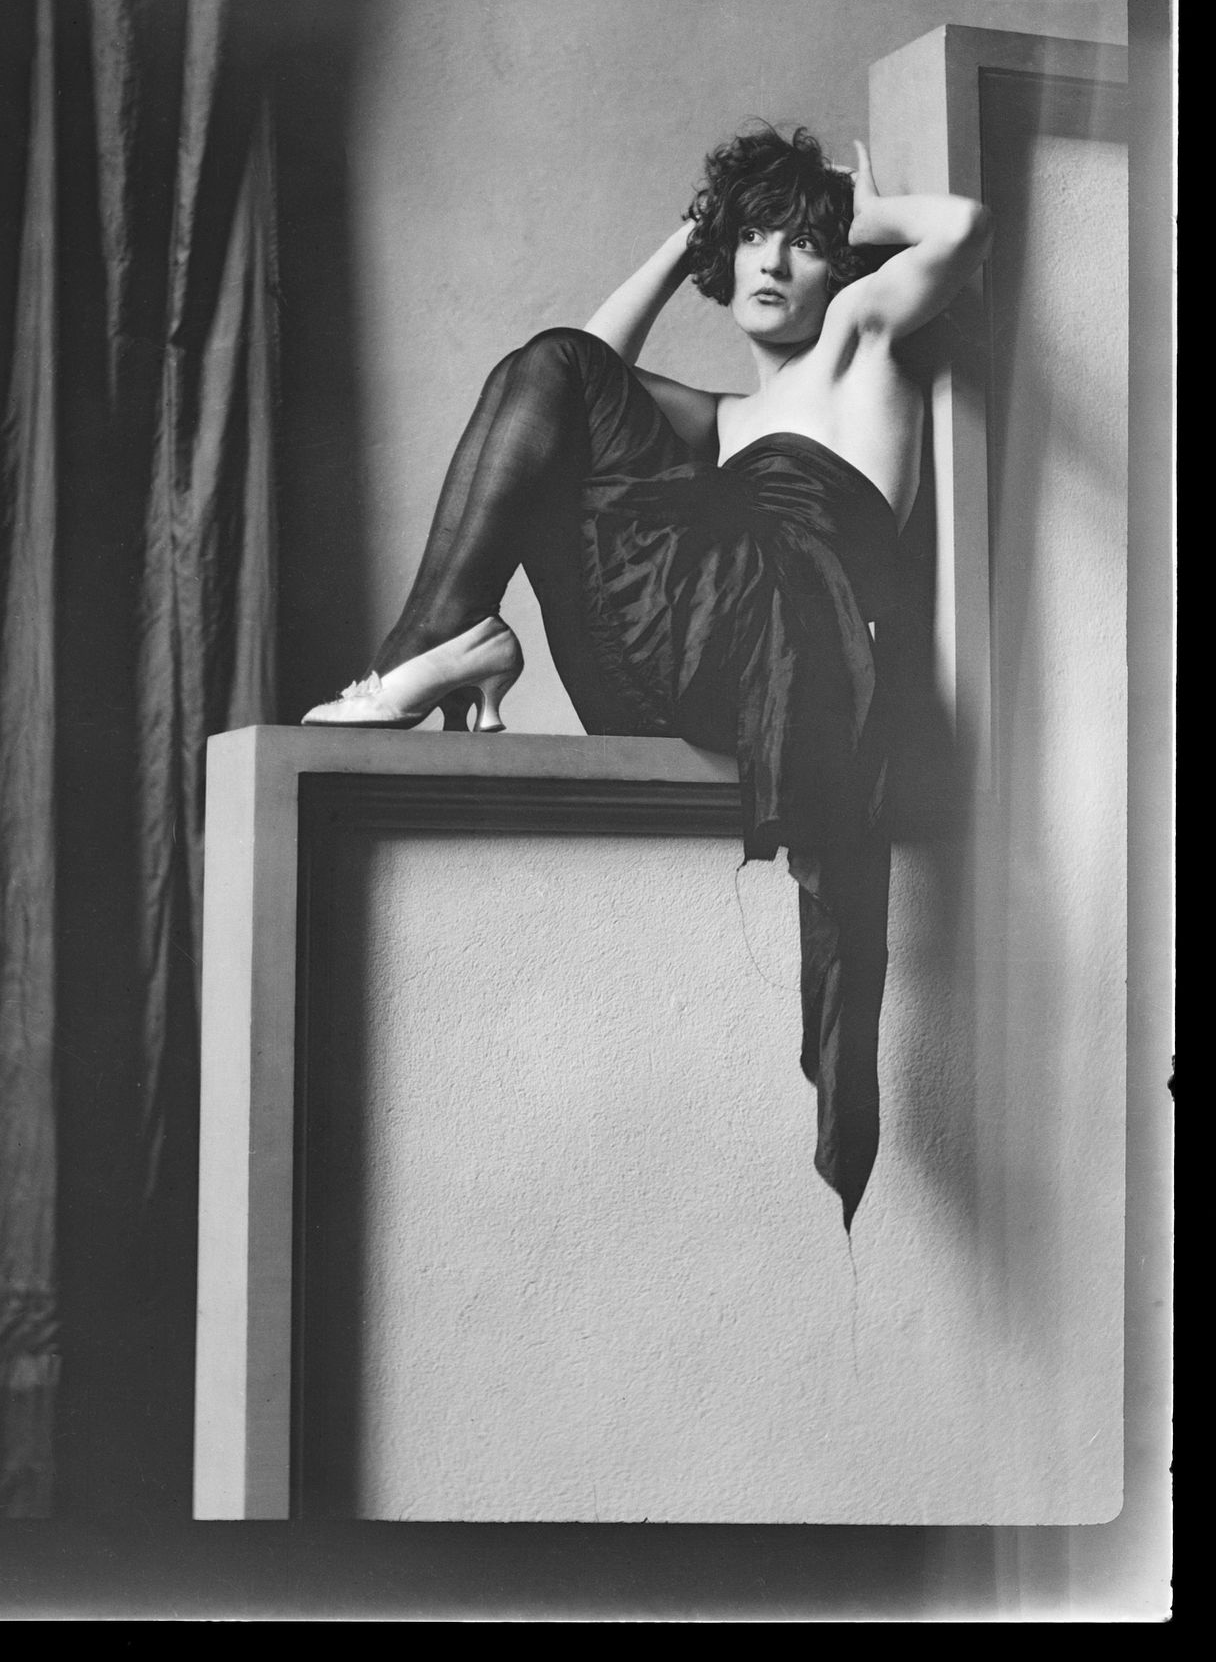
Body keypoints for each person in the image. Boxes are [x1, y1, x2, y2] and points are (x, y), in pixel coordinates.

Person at [302, 123, 992, 1228]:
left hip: (784, 650)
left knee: (564, 373)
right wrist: (689, 240)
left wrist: (852, 219)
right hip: (687, 669)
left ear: (841, 268)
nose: (769, 263)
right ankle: (447, 645)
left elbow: (961, 227)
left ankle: (426, 656)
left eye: (799, 244)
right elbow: (568, 368)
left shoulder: (861, 344)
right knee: (554, 381)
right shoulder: (718, 421)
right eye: (751, 239)